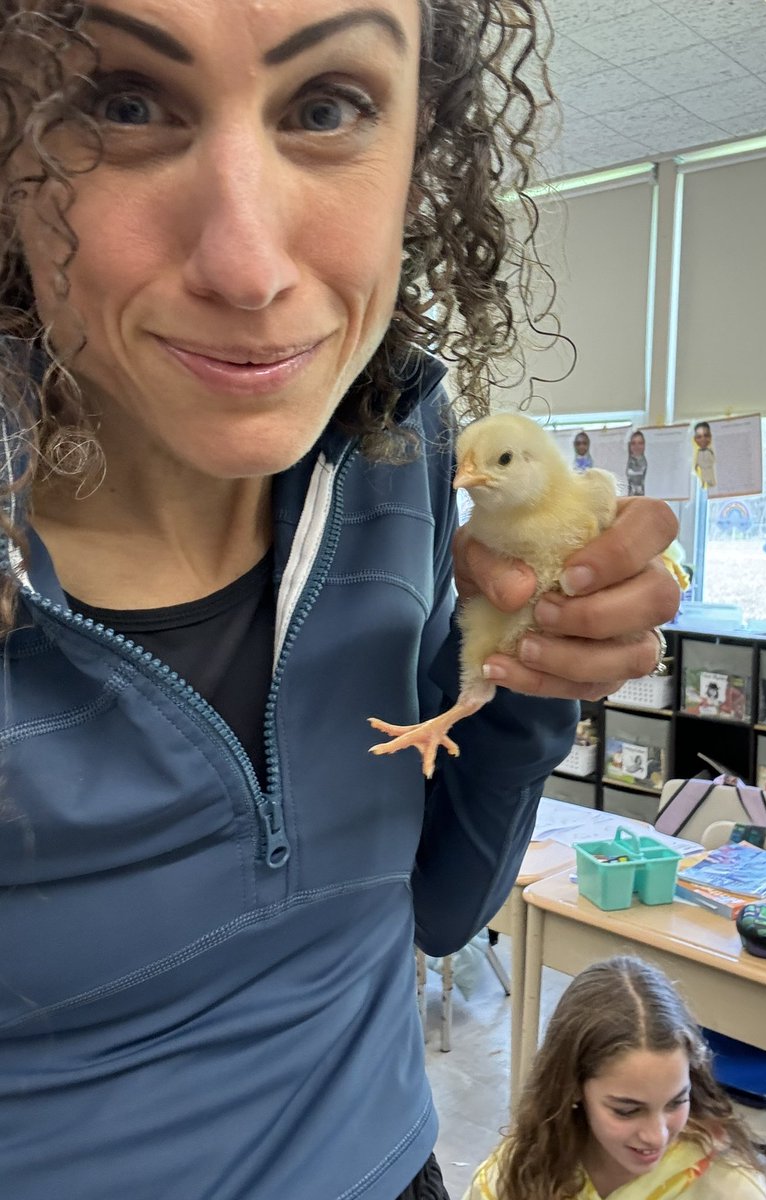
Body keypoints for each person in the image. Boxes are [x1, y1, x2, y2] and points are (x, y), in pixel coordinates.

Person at [0, 3, 680, 1199]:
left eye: (327, 107)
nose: (252, 269)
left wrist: (535, 678)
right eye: (121, 101)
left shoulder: (393, 440)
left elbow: (437, 903)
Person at [464, 957, 766, 1200]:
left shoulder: (728, 1188)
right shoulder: (520, 1170)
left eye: (676, 1102)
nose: (656, 1136)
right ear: (572, 1087)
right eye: (627, 1110)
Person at [692, 421, 716, 489]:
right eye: (699, 437)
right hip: (702, 470)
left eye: (706, 436)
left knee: (710, 479)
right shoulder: (697, 452)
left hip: (709, 469)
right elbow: (697, 460)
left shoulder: (711, 450)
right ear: (695, 439)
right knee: (703, 478)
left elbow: (714, 461)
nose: (703, 439)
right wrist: (696, 465)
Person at [626, 429, 648, 496]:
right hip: (628, 500)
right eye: (633, 443)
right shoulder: (626, 462)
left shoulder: (645, 462)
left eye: (640, 443)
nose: (637, 447)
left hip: (645, 500)